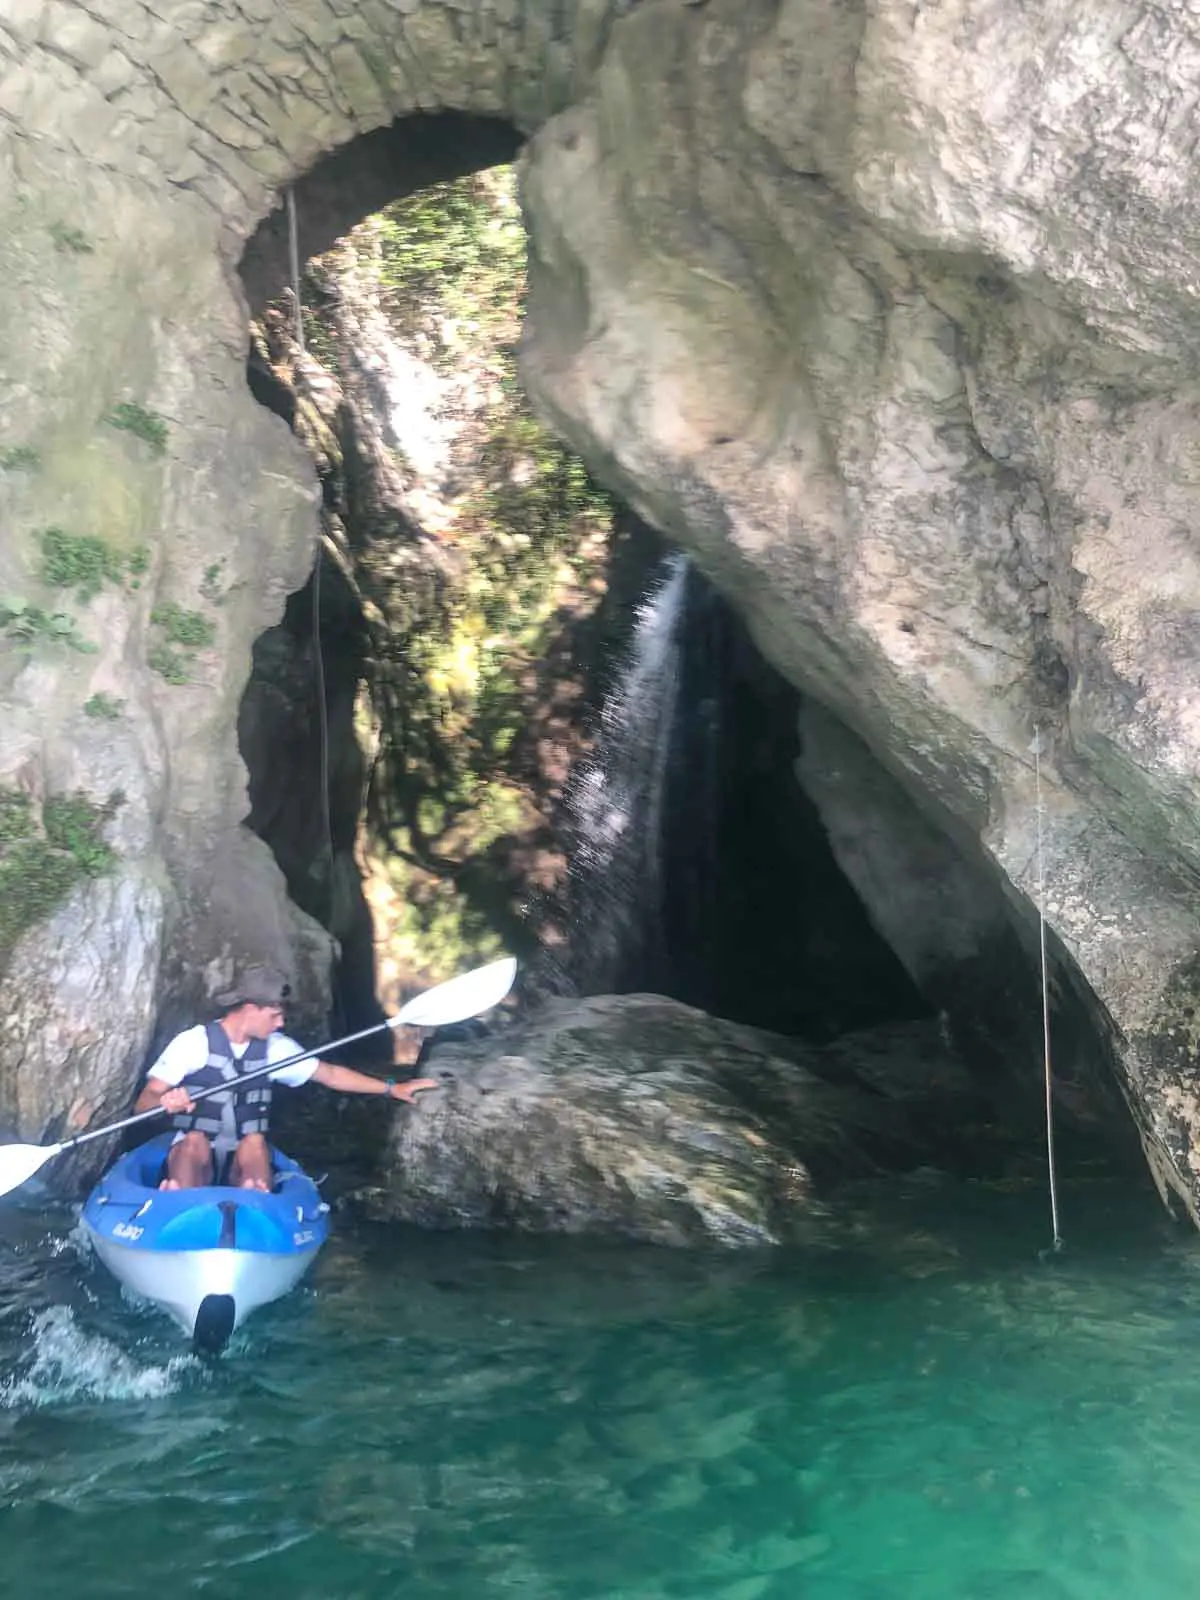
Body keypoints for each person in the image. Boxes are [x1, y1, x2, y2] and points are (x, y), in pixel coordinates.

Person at [134, 963, 437, 1192]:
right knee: (193, 1142)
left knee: (255, 1143)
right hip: (194, 1151)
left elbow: (330, 1075)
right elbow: (143, 1105)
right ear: (251, 1008)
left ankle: (254, 1198)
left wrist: (392, 1088)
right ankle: (179, 1199)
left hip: (244, 1152)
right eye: (274, 1015)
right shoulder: (193, 1044)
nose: (280, 1024)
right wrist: (166, 1102)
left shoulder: (276, 1050)